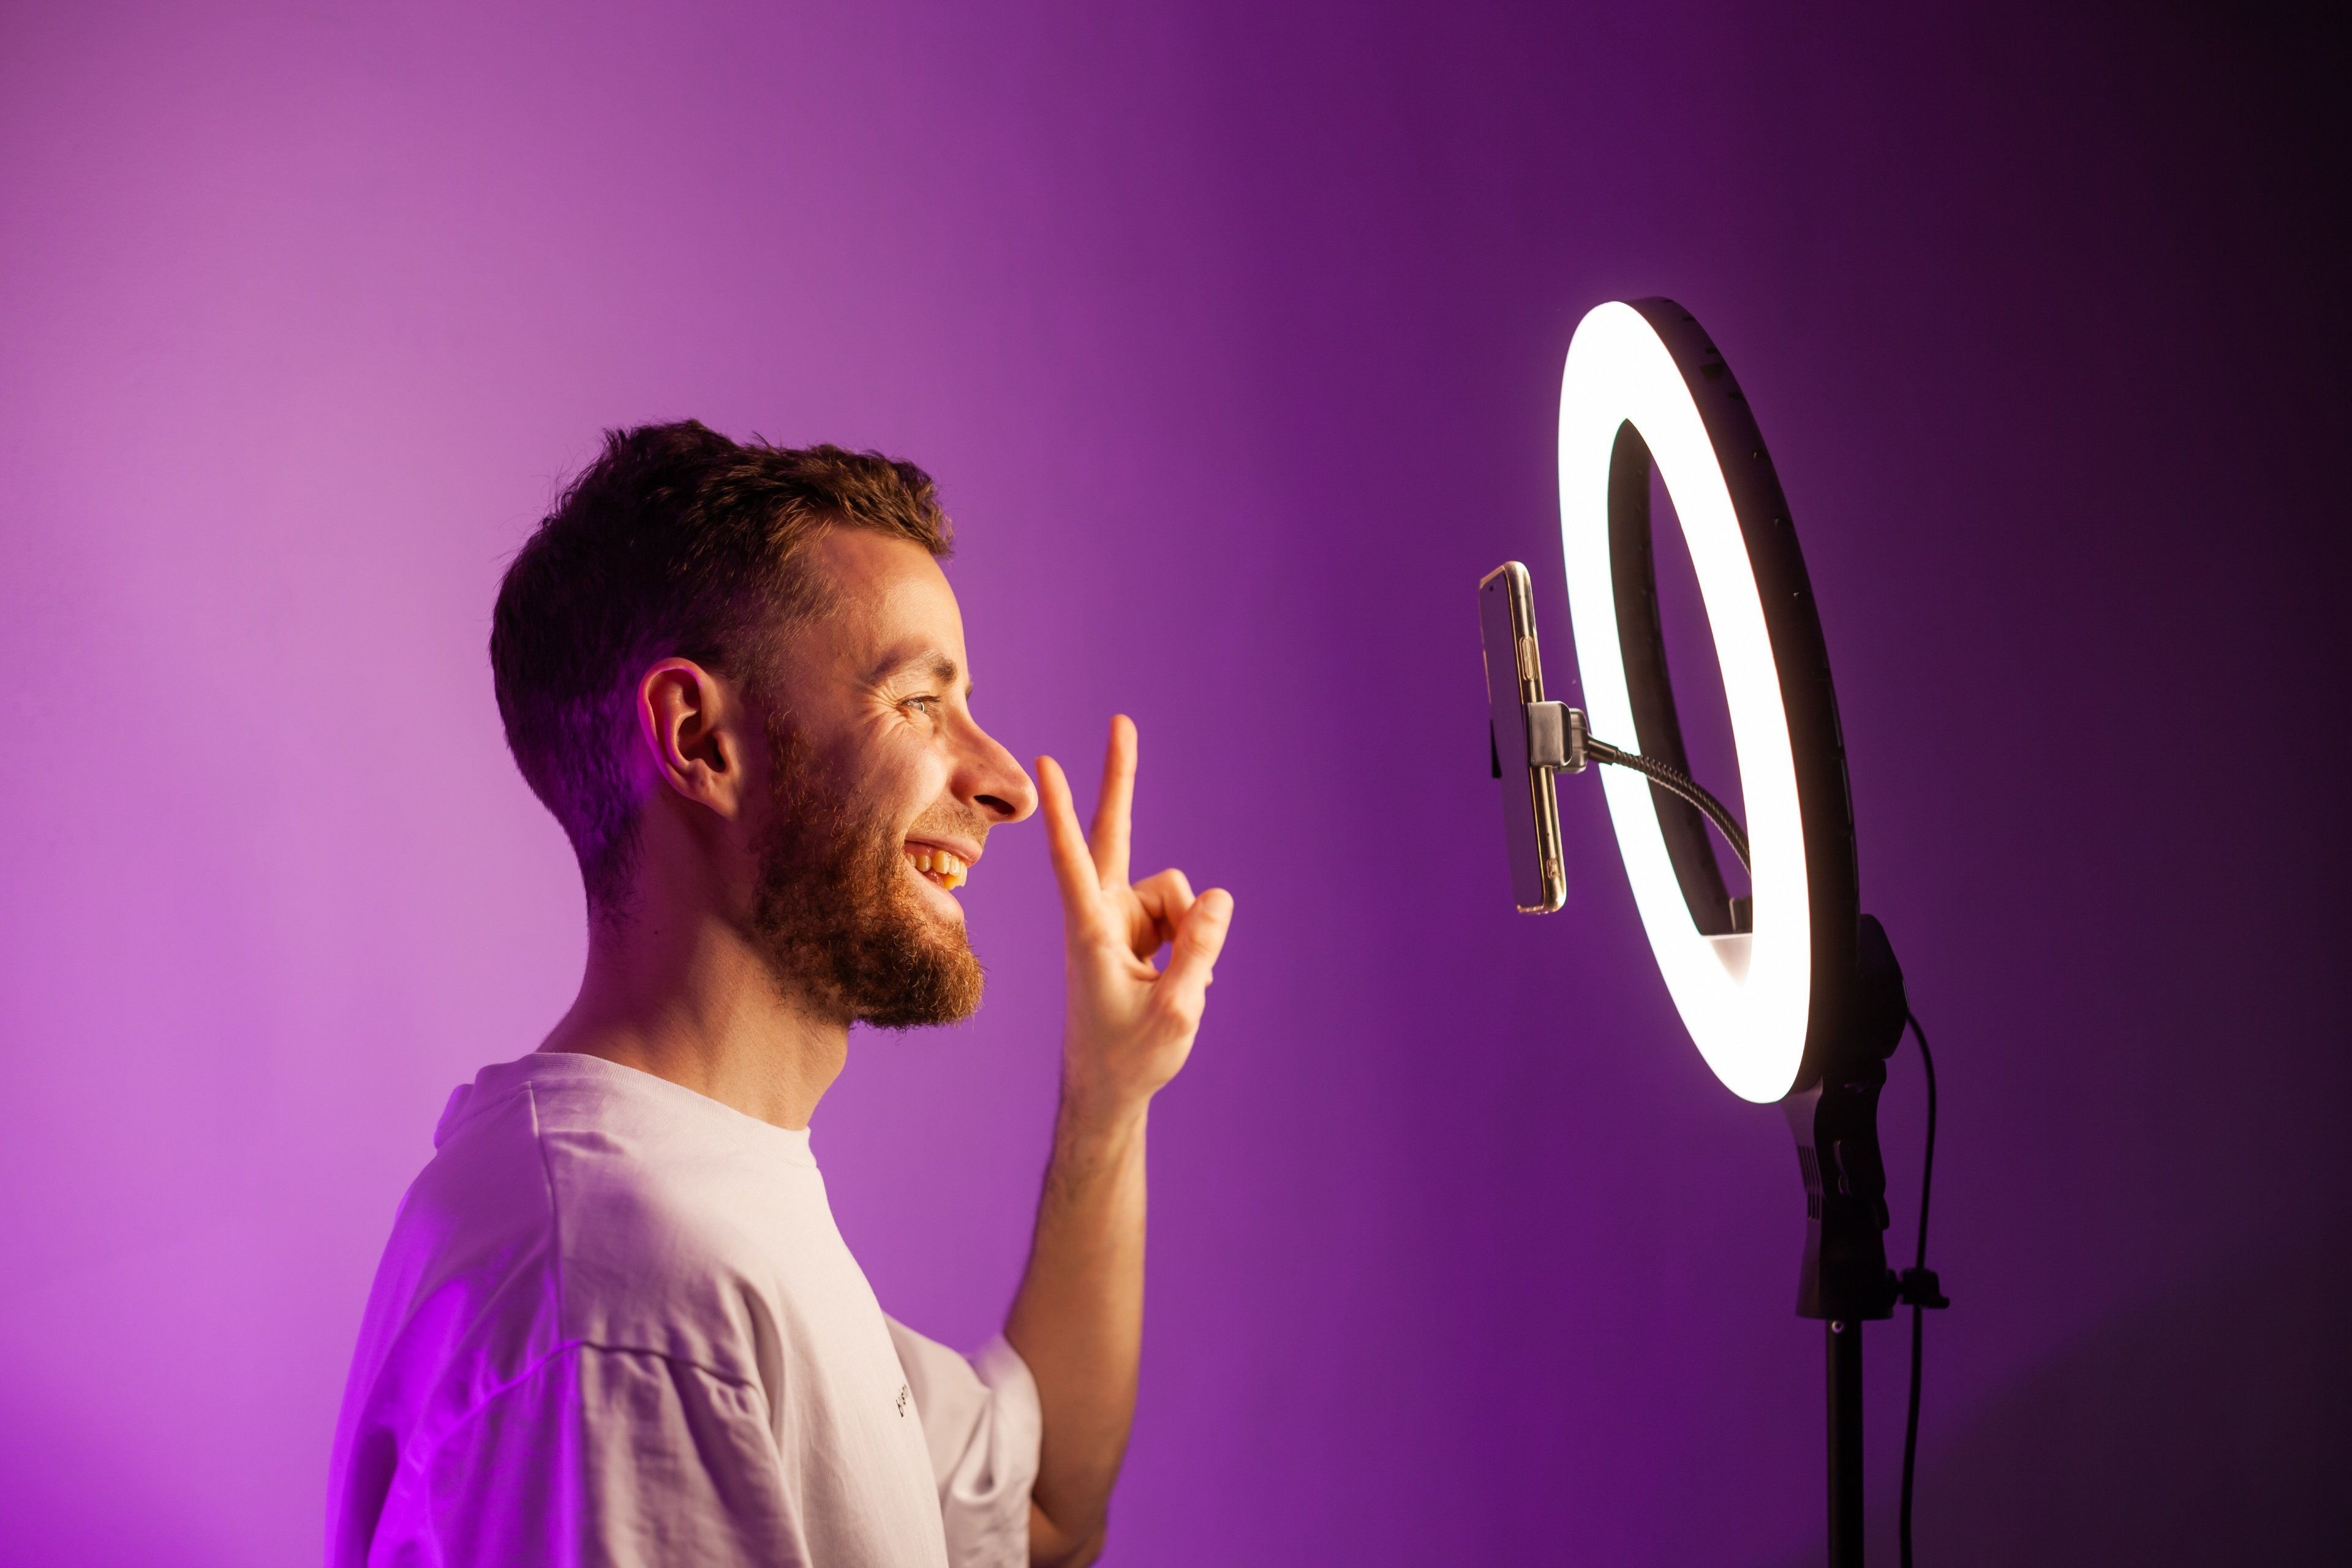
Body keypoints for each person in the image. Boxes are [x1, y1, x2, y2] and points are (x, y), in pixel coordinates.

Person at [325, 422, 1235, 1567]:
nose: (1004, 782)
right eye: (918, 701)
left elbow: (1042, 1510)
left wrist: (1109, 1096)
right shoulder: (623, 1295)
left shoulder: (695, 1213)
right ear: (699, 738)